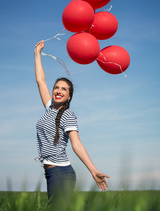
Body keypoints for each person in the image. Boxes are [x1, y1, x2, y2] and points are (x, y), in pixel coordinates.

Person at [34, 40, 110, 202]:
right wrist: (37, 54)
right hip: (52, 173)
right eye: (56, 87)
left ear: (69, 96)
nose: (58, 91)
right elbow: (40, 80)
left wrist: (93, 170)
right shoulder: (50, 109)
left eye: (64, 89)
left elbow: (76, 143)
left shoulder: (67, 115)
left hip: (61, 173)